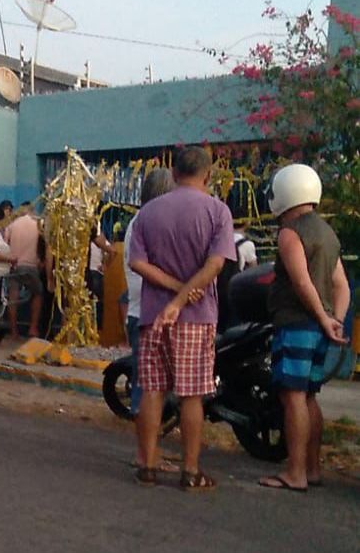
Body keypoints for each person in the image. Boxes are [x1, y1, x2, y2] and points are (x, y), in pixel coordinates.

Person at [129, 147, 235, 492]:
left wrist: (173, 290)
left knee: (153, 391)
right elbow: (216, 264)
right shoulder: (218, 211)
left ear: (174, 175)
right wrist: (184, 293)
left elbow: (137, 263)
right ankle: (190, 471)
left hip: (153, 316)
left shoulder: (148, 213)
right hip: (196, 316)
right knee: (191, 396)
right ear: (207, 176)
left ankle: (147, 464)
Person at [258, 164, 350, 492]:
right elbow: (341, 285)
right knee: (310, 397)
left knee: (292, 396)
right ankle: (312, 468)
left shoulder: (290, 232)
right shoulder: (327, 233)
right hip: (320, 327)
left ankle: (294, 473)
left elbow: (300, 281)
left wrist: (323, 319)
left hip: (296, 323)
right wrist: (333, 319)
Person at [123, 168, 176, 469]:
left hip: (142, 310)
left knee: (150, 385)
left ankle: (148, 452)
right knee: (148, 387)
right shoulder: (147, 222)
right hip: (146, 312)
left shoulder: (140, 221)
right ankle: (146, 455)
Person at [5, 202, 46, 338]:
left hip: (15, 265)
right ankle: (33, 328)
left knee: (13, 297)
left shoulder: (12, 225)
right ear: (32, 210)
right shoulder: (38, 224)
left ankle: (13, 330)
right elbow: (43, 245)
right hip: (32, 266)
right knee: (37, 293)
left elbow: (6, 245)